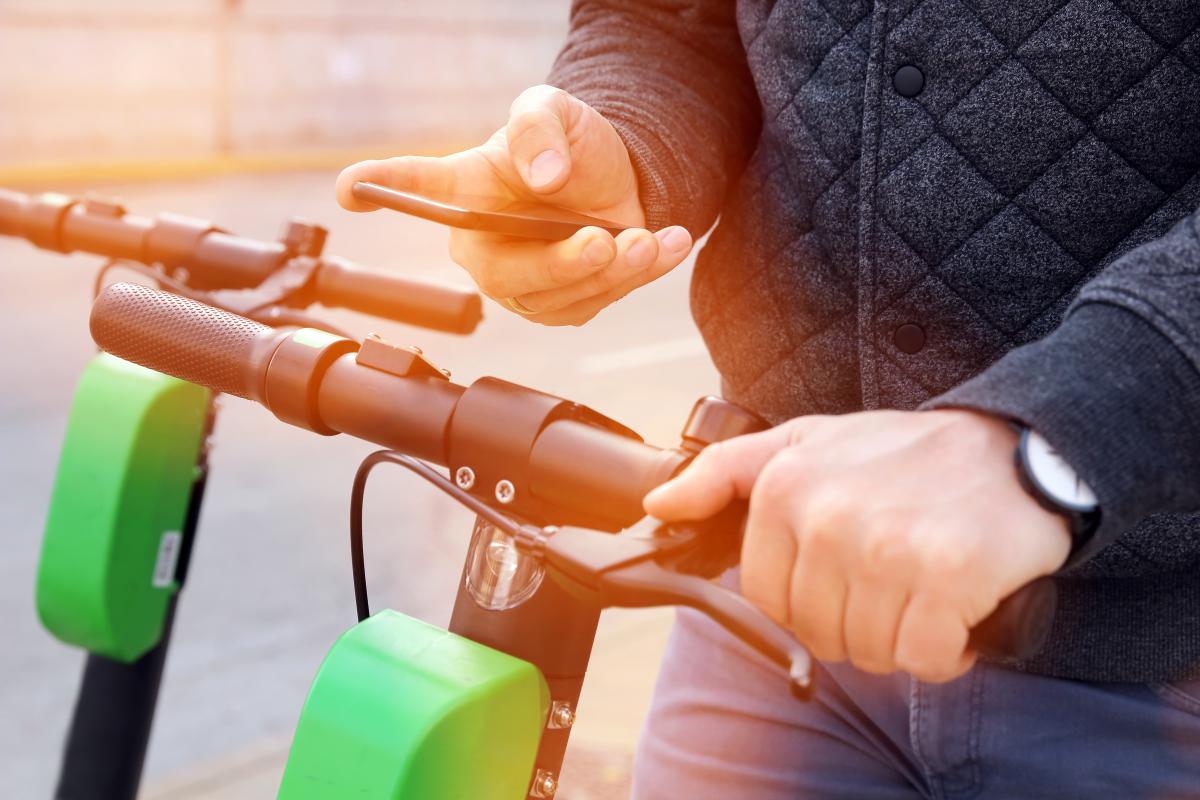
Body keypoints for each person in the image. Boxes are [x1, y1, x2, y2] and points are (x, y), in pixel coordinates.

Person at [337, 1, 1200, 796]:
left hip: (1163, 676)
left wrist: (1062, 434)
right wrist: (627, 143)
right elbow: (666, 20)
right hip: (756, 617)